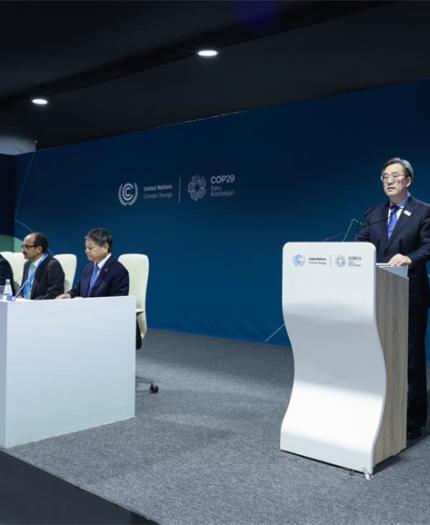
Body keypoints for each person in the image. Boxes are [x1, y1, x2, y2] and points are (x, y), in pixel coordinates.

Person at [356, 157, 430, 439]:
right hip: (379, 295)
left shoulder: (423, 212)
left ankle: (414, 419)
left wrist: (410, 258)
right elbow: (362, 242)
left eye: (395, 176)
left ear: (408, 181)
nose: (389, 180)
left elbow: (429, 245)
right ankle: (384, 410)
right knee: (381, 356)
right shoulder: (374, 213)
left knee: (410, 358)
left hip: (409, 294)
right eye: (384, 176)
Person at [57, 228, 129, 299]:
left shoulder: (118, 271)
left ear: (105, 247)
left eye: (90, 248)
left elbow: (117, 302)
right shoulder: (88, 267)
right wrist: (69, 295)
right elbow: (79, 289)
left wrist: (86, 303)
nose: (86, 251)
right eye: (86, 248)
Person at [20, 232, 65, 299]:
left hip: (40, 306)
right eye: (22, 247)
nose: (22, 250)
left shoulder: (52, 265)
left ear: (39, 249)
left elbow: (54, 294)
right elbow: (23, 290)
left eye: (26, 247)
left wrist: (31, 303)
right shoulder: (27, 265)